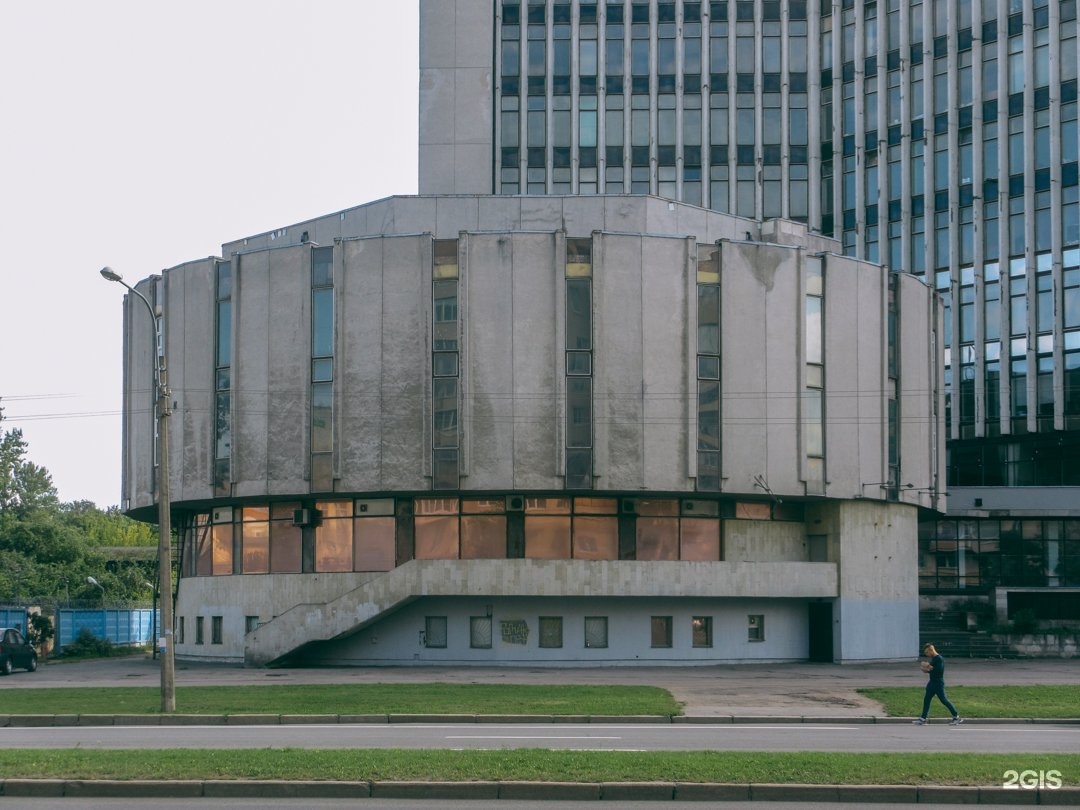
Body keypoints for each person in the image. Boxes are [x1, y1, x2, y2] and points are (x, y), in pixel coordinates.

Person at [913, 643, 963, 725]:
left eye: (927, 652)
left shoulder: (939, 659)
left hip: (938, 683)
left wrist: (928, 666)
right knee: (927, 700)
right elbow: (929, 670)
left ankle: (956, 717)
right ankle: (923, 718)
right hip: (932, 682)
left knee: (944, 700)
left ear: (931, 650)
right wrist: (925, 668)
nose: (926, 654)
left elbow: (938, 671)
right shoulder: (934, 659)